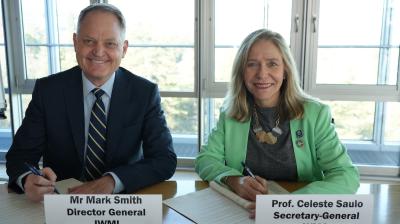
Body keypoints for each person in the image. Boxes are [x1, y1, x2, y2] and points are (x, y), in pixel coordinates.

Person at [6, 3, 177, 202]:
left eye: (110, 44)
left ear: (124, 48)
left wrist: (112, 181)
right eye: (89, 41)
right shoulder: (48, 91)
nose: (98, 51)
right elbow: (19, 157)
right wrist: (27, 179)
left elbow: (164, 160)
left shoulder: (144, 93)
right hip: (62, 202)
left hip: (123, 202)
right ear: (75, 42)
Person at [195, 29, 359, 217]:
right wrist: (234, 180)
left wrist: (290, 205)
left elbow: (346, 175)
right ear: (242, 72)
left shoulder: (316, 114)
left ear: (285, 71)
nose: (262, 74)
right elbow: (205, 160)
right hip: (247, 211)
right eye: (252, 64)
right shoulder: (230, 113)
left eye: (272, 64)